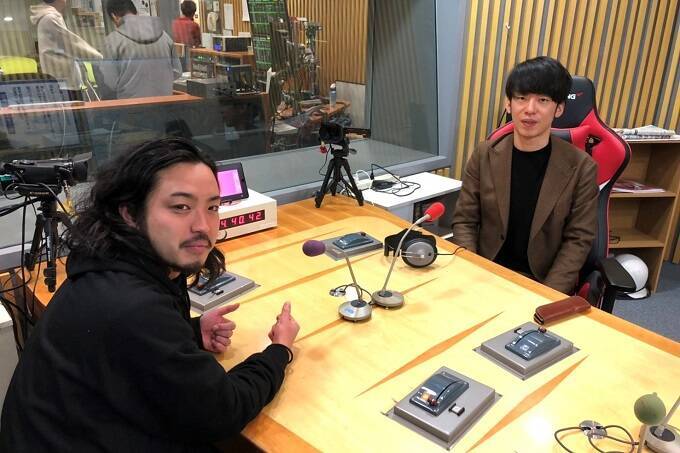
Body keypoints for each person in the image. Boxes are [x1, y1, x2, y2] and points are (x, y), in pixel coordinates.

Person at [0, 138, 300, 451]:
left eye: (212, 207)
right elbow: (223, 411)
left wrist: (190, 333)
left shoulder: (113, 266)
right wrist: (279, 351)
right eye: (181, 207)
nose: (203, 226)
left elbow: (129, 349)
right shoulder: (131, 306)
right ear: (130, 213)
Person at [451, 56, 598, 294]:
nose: (530, 109)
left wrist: (546, 296)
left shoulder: (582, 168)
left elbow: (578, 241)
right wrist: (471, 272)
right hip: (484, 273)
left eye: (543, 100)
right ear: (509, 104)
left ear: (559, 108)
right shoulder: (484, 154)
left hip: (541, 282)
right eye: (521, 98)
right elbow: (464, 221)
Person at [95, 0, 181, 99]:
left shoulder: (112, 41)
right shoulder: (164, 35)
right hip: (165, 102)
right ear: (136, 12)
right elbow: (177, 72)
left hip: (132, 105)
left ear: (114, 16)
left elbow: (110, 82)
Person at [30, 0, 103, 100]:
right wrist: (99, 56)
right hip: (63, 85)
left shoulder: (49, 17)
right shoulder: (50, 18)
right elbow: (73, 44)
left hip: (63, 83)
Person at [172, 0, 201, 71]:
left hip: (176, 58)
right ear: (193, 12)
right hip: (190, 58)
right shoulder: (194, 25)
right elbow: (198, 43)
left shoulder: (174, 23)